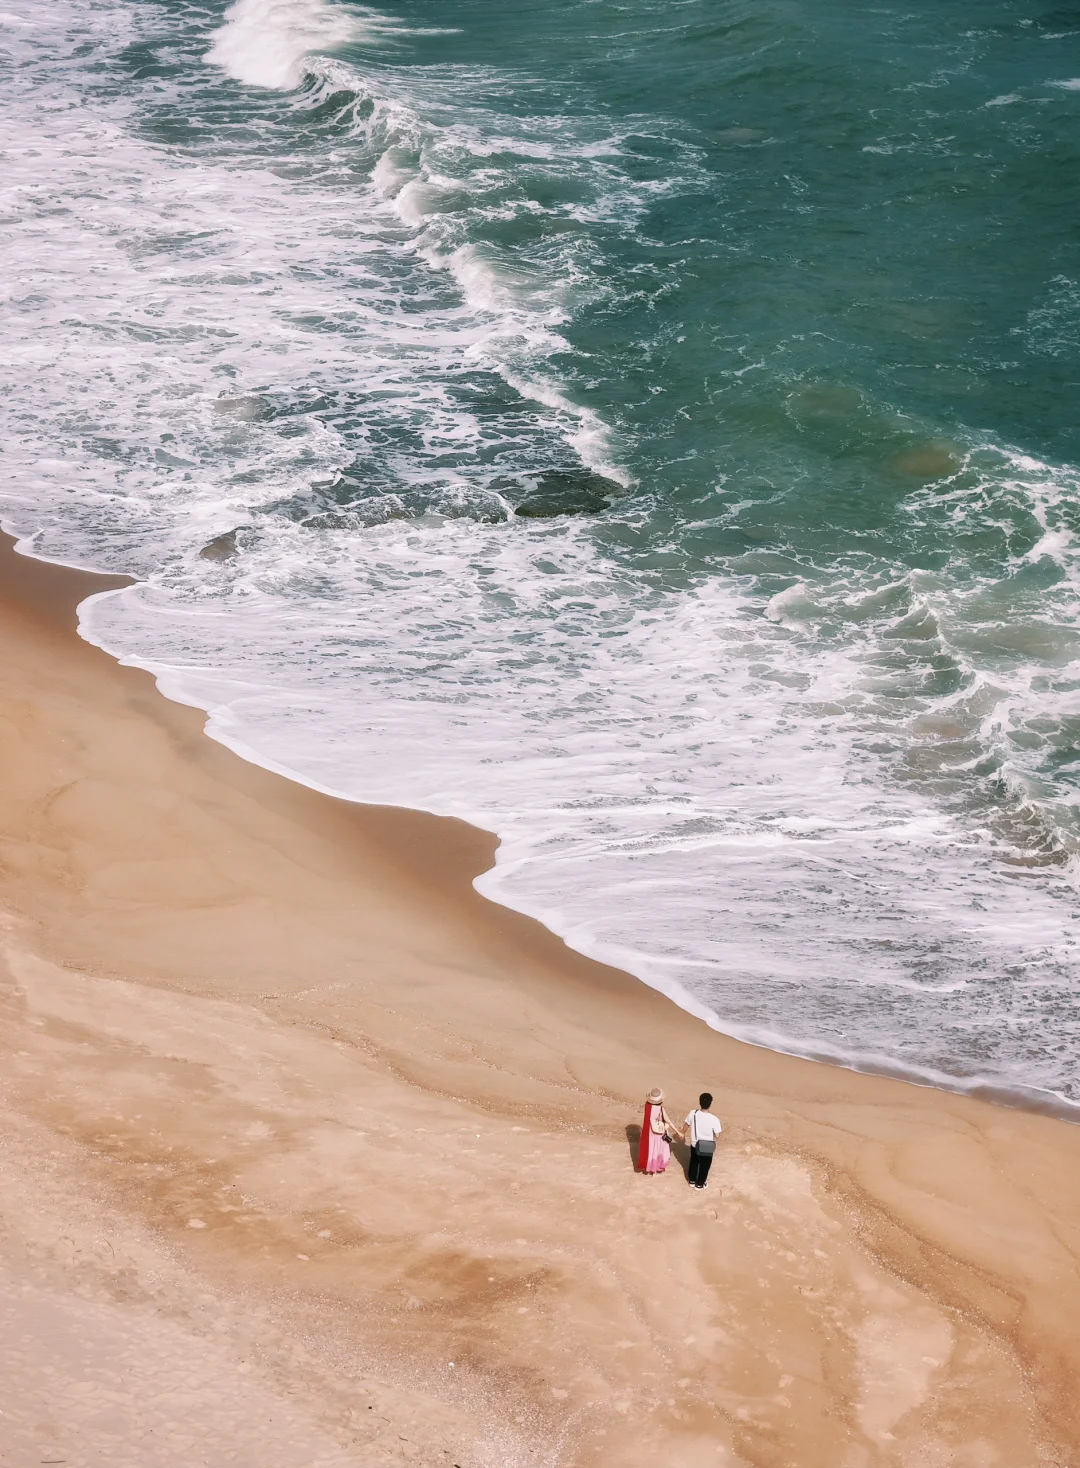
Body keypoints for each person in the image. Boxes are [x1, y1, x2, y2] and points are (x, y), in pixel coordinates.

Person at [683, 1092, 722, 1189]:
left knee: (694, 1162)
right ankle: (700, 1184)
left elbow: (686, 1126)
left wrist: (681, 1133)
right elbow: (717, 1136)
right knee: (705, 1166)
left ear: (699, 1102)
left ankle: (691, 1180)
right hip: (707, 1147)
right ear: (710, 1104)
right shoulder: (714, 1119)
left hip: (695, 1144)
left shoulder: (693, 1113)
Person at [637, 1087, 675, 1174]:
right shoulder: (660, 1109)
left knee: (650, 1149)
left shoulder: (647, 1106)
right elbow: (668, 1120)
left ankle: (649, 1166)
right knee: (658, 1149)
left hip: (649, 1131)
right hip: (657, 1132)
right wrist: (678, 1132)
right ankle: (655, 1168)